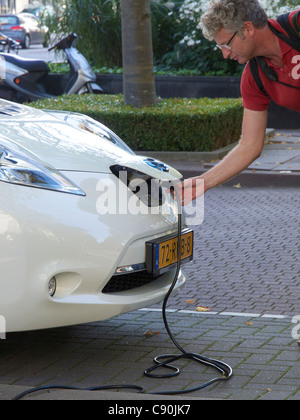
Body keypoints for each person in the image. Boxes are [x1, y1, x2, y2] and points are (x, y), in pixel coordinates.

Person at [178, 0, 300, 205]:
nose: (225, 54)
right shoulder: (254, 78)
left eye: (226, 45)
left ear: (247, 28)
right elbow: (249, 146)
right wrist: (203, 182)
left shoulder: (295, 25)